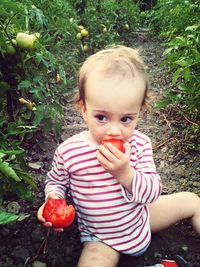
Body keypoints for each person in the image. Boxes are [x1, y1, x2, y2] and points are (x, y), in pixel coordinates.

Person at [37, 45, 200, 267]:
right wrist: (52, 200)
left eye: (125, 119)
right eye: (102, 117)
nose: (114, 130)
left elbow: (152, 192)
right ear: (83, 108)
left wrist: (126, 174)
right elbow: (56, 181)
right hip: (101, 239)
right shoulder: (69, 151)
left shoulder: (139, 144)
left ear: (139, 113)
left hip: (141, 220)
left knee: (192, 201)